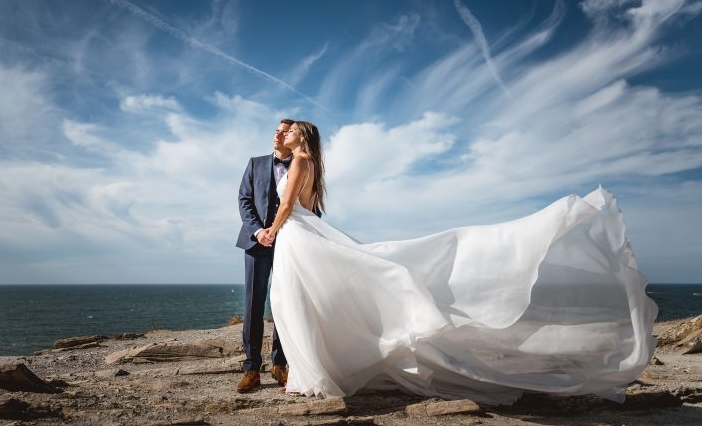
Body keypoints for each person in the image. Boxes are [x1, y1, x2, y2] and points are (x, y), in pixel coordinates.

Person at [263, 120, 657, 404]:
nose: (286, 132)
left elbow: (288, 206)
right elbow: (311, 209)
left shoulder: (299, 162)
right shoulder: (313, 167)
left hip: (296, 236)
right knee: (299, 300)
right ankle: (307, 372)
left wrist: (271, 231)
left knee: (295, 301)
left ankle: (308, 374)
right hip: (304, 234)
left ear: (305, 136)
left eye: (292, 128)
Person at [235, 119, 295, 393]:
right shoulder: (255, 163)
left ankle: (279, 364)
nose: (278, 135)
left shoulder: (303, 164)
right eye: (277, 130)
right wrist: (259, 231)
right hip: (257, 243)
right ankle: (251, 368)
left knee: (283, 303)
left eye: (285, 132)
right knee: (253, 306)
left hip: (290, 244)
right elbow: (244, 200)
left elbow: (311, 205)